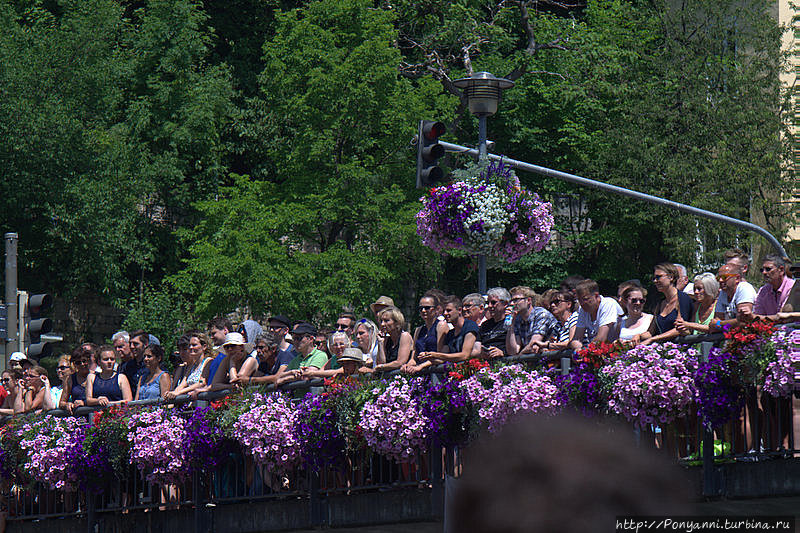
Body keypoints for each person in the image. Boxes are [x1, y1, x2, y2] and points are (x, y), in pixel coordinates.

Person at [415, 296, 479, 368]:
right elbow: (442, 359)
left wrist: (436, 355)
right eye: (444, 311)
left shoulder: (470, 326)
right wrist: (428, 356)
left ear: (459, 310)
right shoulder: (450, 333)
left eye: (448, 310)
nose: (445, 313)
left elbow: (465, 355)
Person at [639, 263, 693, 346]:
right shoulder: (660, 303)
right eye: (654, 278)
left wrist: (654, 339)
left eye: (658, 277)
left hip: (679, 350)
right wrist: (638, 336)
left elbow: (679, 329)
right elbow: (650, 332)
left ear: (671, 277)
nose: (655, 281)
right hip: (663, 351)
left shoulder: (682, 298)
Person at [567, 279, 624, 350]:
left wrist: (584, 351)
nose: (582, 303)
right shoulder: (583, 309)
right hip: (597, 351)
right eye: (579, 299)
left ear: (596, 296)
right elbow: (576, 338)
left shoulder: (608, 304)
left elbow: (601, 338)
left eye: (585, 299)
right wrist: (577, 348)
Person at [506, 286, 560, 355]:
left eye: (516, 300)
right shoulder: (517, 319)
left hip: (552, 358)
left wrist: (519, 356)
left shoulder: (541, 314)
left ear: (528, 300)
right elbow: (513, 351)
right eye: (512, 300)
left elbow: (533, 344)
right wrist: (511, 325)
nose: (512, 304)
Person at [164, 332, 212, 400]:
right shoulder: (192, 365)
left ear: (204, 347)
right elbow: (183, 384)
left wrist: (178, 393)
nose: (191, 347)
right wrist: (173, 393)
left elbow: (201, 383)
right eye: (189, 345)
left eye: (194, 345)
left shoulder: (208, 361)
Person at [710, 263, 756, 331]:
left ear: (737, 278)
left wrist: (720, 324)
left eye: (724, 277)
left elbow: (743, 322)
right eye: (718, 278)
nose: (720, 280)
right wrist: (725, 326)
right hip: (730, 337)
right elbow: (715, 324)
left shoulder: (744, 288)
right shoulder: (723, 293)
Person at [373, 307, 413, 372]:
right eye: (381, 321)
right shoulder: (386, 340)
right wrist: (380, 342)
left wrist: (382, 367)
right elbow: (380, 363)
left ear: (397, 322)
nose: (382, 324)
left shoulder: (404, 336)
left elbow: (400, 362)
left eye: (386, 321)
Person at [479, 287, 512, 358]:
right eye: (488, 303)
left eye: (493, 302)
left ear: (505, 304)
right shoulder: (485, 325)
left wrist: (503, 352)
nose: (490, 306)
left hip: (506, 363)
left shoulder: (511, 322)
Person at [412, 293, 448, 359]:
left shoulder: (441, 326)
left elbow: (440, 355)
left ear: (436, 309)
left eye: (427, 308)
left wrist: (421, 366)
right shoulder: (418, 330)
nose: (423, 311)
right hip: (419, 366)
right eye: (420, 308)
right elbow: (414, 355)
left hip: (434, 366)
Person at [60, 347, 92, 413]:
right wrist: (67, 404)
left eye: (84, 361)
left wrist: (84, 403)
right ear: (74, 364)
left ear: (89, 361)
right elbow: (62, 402)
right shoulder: (70, 379)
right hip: (79, 416)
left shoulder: (97, 376)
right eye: (78, 362)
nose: (82, 364)